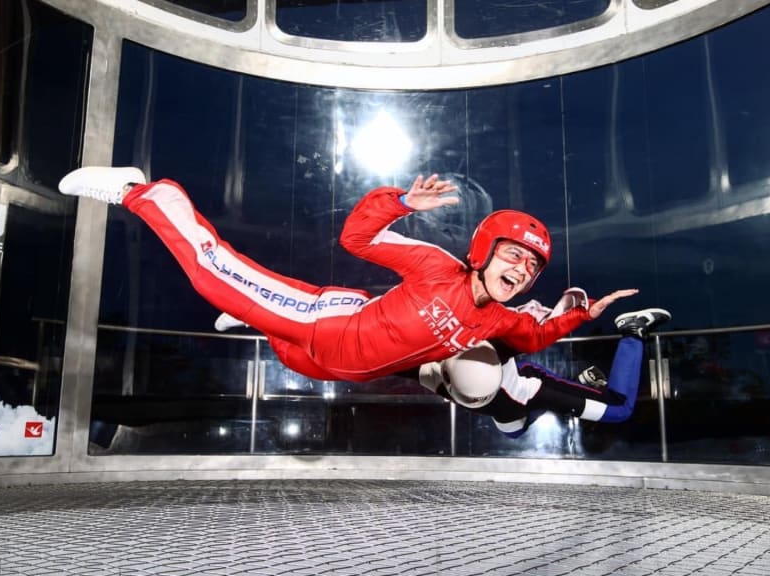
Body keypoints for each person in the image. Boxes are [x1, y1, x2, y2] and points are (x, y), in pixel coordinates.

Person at [58, 166, 637, 382]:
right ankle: (142, 191)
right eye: (514, 255)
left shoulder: (497, 322)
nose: (521, 270)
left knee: (282, 348)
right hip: (329, 322)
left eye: (532, 266)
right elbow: (356, 238)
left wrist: (584, 313)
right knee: (214, 273)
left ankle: (251, 316)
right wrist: (401, 203)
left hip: (332, 365)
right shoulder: (437, 267)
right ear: (484, 251)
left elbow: (535, 335)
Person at [416, 307, 671, 438]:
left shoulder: (530, 387)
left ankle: (632, 331)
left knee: (619, 409)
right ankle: (579, 385)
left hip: (530, 391)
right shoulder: (432, 372)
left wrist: (573, 311)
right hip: (506, 407)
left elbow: (541, 327)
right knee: (513, 432)